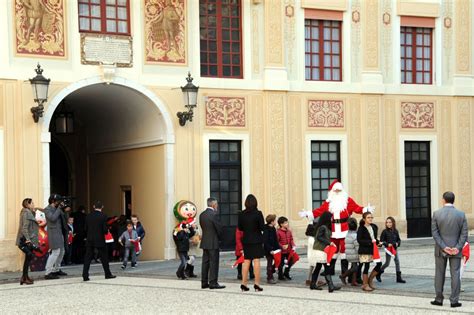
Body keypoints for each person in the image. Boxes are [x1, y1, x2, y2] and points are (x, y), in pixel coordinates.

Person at [299, 180, 374, 278]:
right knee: (332, 250)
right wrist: (309, 214)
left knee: (344, 251)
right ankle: (330, 270)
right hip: (333, 230)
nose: (338, 193)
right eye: (336, 191)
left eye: (339, 191)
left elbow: (357, 208)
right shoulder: (328, 202)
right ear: (332, 192)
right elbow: (320, 211)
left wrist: (366, 210)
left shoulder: (348, 200)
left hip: (344, 229)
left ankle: (344, 272)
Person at [431, 191, 468, 308]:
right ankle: (454, 301)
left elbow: (435, 233)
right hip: (456, 250)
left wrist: (444, 247)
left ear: (443, 200)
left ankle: (438, 299)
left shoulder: (436, 214)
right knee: (455, 274)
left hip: (440, 250)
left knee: (439, 274)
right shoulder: (461, 214)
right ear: (454, 200)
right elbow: (464, 234)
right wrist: (457, 247)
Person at [82, 201, 116, 281]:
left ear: (94, 206)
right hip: (100, 239)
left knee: (87, 257)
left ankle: (85, 275)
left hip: (90, 239)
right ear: (102, 207)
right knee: (104, 257)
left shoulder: (88, 216)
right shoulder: (103, 216)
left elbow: (85, 229)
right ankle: (107, 274)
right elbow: (105, 230)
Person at [237, 194, 265, 292]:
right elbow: (262, 227)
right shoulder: (258, 213)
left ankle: (244, 284)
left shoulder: (241, 214)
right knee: (256, 260)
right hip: (256, 239)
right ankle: (257, 284)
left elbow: (240, 228)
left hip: (246, 240)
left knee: (246, 261)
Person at [309, 211, 341, 292]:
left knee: (318, 267)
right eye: (330, 217)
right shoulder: (323, 227)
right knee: (327, 267)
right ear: (327, 218)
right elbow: (319, 237)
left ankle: (313, 284)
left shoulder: (325, 227)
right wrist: (329, 242)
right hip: (320, 250)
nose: (332, 219)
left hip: (322, 249)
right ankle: (331, 286)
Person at [200, 197, 224, 289]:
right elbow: (219, 229)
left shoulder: (202, 215)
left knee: (205, 263)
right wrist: (221, 239)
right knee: (213, 263)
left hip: (205, 241)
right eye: (216, 204)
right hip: (213, 242)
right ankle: (213, 283)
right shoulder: (214, 215)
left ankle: (204, 282)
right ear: (214, 205)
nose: (217, 206)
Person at [16, 198, 39, 285]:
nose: (33, 204)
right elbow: (24, 228)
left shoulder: (28, 212)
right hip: (25, 240)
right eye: (32, 203)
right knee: (29, 257)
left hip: (28, 239)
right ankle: (24, 277)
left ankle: (25, 277)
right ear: (28, 204)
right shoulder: (26, 213)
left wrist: (33, 211)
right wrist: (28, 239)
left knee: (28, 258)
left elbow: (31, 222)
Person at [357, 212, 383, 292]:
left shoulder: (373, 227)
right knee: (366, 266)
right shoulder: (361, 228)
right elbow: (359, 240)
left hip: (373, 250)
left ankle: (370, 280)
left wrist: (378, 243)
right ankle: (365, 284)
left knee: (379, 264)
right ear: (364, 219)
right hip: (364, 250)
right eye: (368, 217)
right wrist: (370, 242)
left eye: (371, 217)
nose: (370, 219)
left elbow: (374, 238)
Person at [44, 194, 68, 280]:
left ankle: (56, 269)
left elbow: (64, 218)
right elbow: (53, 218)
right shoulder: (47, 209)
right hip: (53, 233)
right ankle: (48, 272)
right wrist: (59, 209)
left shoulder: (58, 209)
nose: (59, 202)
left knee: (62, 251)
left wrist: (64, 209)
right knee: (55, 252)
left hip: (60, 232)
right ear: (53, 201)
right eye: (58, 201)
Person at [377, 216, 405, 283]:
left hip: (394, 249)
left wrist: (398, 243)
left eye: (390, 222)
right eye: (387, 222)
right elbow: (381, 241)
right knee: (387, 263)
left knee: (397, 262)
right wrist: (386, 244)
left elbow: (399, 240)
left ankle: (398, 278)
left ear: (393, 223)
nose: (388, 224)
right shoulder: (384, 231)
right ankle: (378, 273)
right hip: (388, 250)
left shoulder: (395, 231)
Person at [340, 217, 359, 286]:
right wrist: (359, 252)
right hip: (354, 254)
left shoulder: (347, 234)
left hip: (348, 253)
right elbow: (357, 246)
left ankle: (353, 281)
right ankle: (343, 276)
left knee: (354, 267)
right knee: (355, 268)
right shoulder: (355, 235)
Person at [263, 214, 280, 284]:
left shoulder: (273, 228)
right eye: (275, 220)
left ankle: (271, 273)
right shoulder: (266, 229)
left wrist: (278, 248)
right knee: (269, 263)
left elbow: (275, 239)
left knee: (277, 261)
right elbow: (265, 241)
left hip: (275, 249)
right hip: (268, 250)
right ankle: (269, 277)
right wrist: (270, 250)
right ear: (272, 221)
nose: (276, 221)